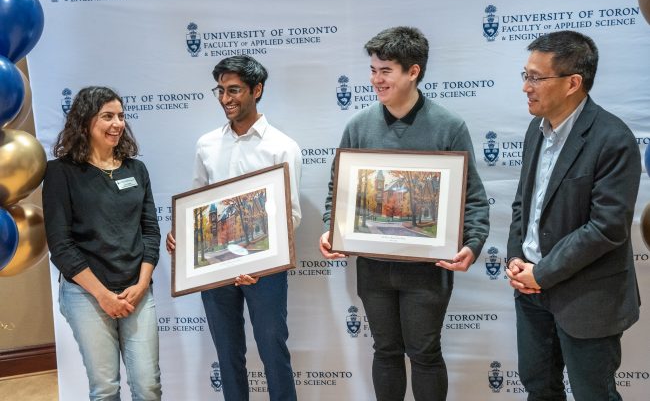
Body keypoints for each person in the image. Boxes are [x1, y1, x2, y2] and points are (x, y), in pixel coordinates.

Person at [319, 26, 490, 401]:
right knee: (385, 351)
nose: (375, 80)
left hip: (427, 269)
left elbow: (474, 198)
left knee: (425, 354)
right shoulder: (359, 126)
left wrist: (473, 244)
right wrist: (332, 228)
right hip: (374, 267)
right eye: (373, 70)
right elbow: (339, 192)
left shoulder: (448, 126)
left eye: (385, 71)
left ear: (413, 72)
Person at [506, 31, 641, 401]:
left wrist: (543, 273)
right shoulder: (536, 129)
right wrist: (517, 257)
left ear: (573, 83)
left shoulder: (613, 139)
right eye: (525, 75)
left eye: (535, 77)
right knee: (539, 389)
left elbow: (606, 228)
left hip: (587, 296)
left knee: (593, 394)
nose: (526, 87)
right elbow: (523, 204)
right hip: (531, 293)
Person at [166, 55, 301, 401]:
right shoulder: (206, 145)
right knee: (228, 356)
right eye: (221, 90)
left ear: (257, 90)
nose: (226, 99)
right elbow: (197, 201)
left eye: (234, 90)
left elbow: (291, 215)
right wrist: (183, 234)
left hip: (265, 270)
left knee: (273, 352)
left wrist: (257, 262)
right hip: (216, 269)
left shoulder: (283, 146)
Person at [42, 86, 162, 400]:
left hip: (137, 291)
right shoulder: (60, 173)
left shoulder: (136, 169)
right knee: (105, 389)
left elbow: (150, 232)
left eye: (121, 116)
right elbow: (60, 244)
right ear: (85, 123)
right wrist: (104, 296)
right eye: (107, 116)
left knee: (148, 387)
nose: (118, 124)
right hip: (86, 294)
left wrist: (142, 284)